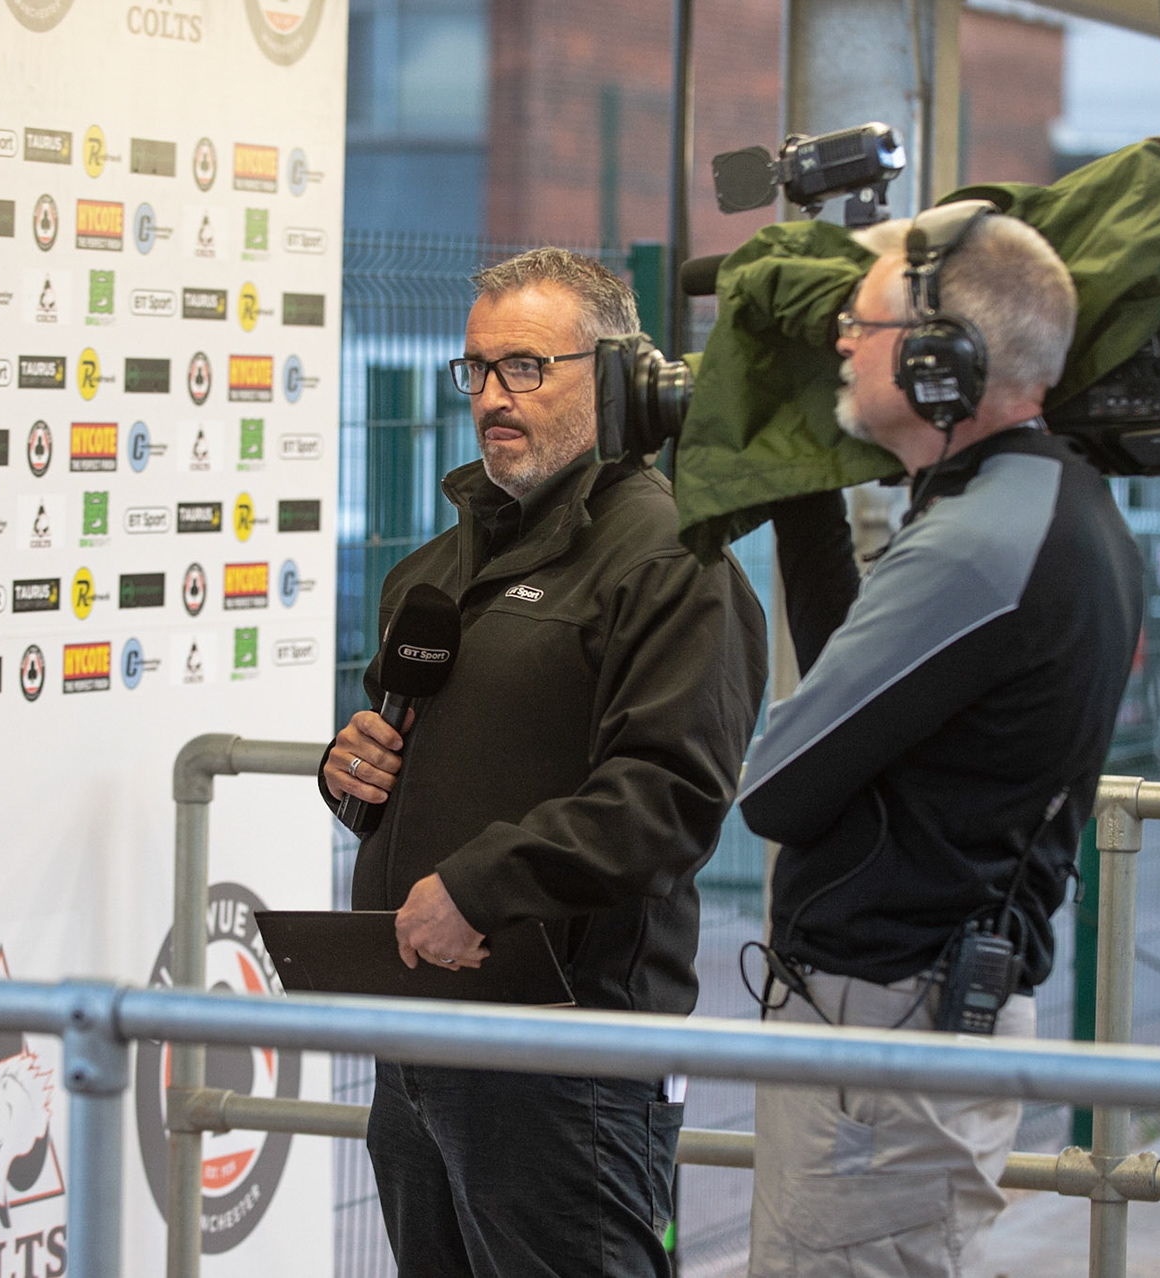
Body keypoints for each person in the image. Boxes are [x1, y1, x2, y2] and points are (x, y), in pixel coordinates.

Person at [321, 247, 768, 1277]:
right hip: (421, 1051)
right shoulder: (431, 574)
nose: (492, 397)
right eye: (476, 371)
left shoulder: (671, 562)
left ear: (611, 377)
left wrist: (478, 889)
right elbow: (404, 761)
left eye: (526, 366)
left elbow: (668, 797)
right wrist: (351, 773)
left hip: (570, 1070)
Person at [737, 207, 1144, 1276]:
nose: (836, 343)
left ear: (941, 362)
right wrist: (804, 490)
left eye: (859, 325)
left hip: (888, 1046)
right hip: (921, 1021)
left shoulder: (975, 548)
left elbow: (775, 790)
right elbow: (862, 683)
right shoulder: (1041, 500)